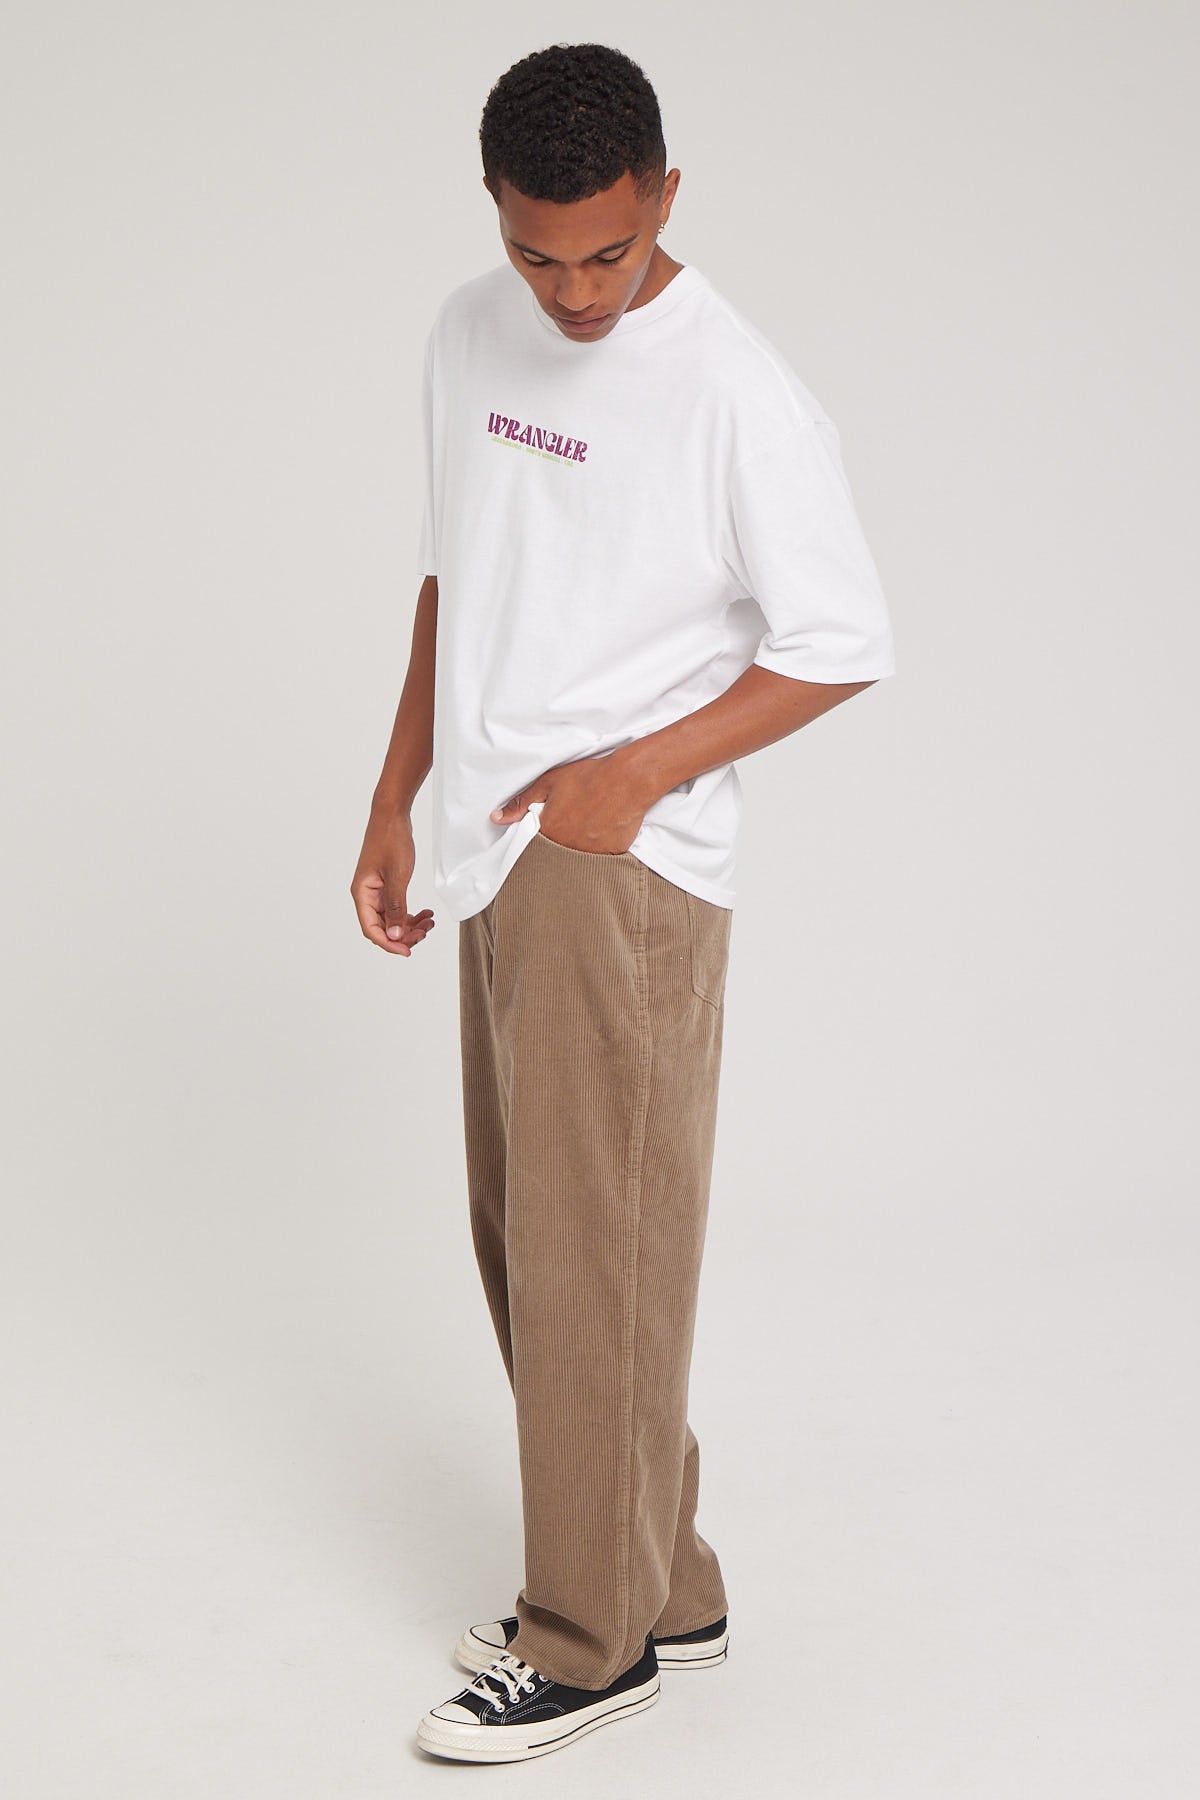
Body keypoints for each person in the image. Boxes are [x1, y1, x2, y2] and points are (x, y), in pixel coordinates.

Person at [350, 41, 896, 1765]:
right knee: (536, 1239)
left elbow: (841, 643)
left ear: (666, 195)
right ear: (494, 213)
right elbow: (455, 573)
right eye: (538, 253)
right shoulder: (468, 331)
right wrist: (393, 795)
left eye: (607, 250)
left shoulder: (739, 392)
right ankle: (670, 1584)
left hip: (620, 866)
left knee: (602, 1252)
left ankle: (588, 1643)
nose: (574, 292)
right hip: (488, 839)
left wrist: (634, 776)